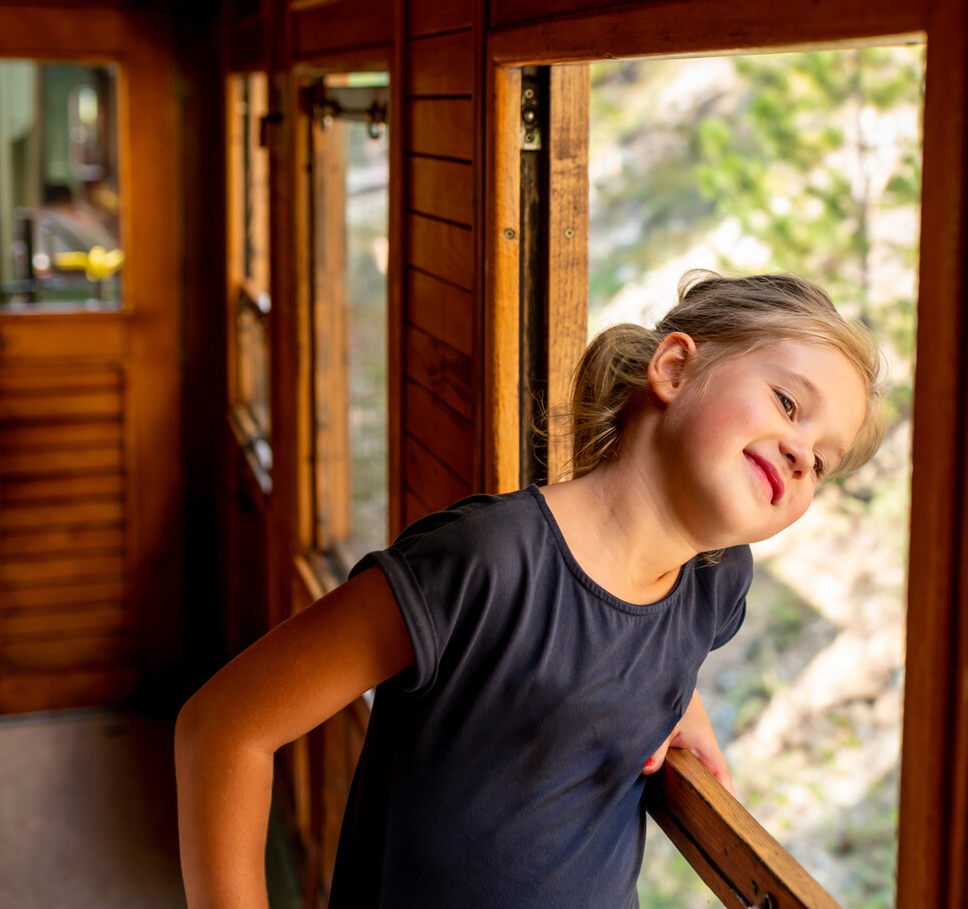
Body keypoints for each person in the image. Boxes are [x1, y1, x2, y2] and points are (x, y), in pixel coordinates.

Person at [175, 269, 887, 909]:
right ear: (674, 368)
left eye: (824, 463)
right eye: (788, 403)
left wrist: (679, 703)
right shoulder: (484, 560)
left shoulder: (718, 583)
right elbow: (223, 729)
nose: (802, 455)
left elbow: (634, 649)